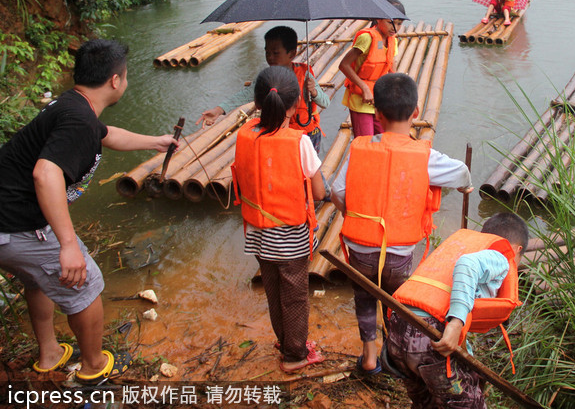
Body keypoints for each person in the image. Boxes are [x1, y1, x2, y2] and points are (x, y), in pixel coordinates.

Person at [0, 39, 177, 385]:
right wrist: (67, 244)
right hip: (19, 224)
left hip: (5, 224)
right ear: (115, 80)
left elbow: (106, 134)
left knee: (37, 280)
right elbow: (45, 173)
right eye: (125, 77)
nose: (125, 82)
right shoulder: (79, 120)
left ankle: (50, 353)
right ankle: (94, 369)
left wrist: (155, 142)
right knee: (86, 284)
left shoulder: (72, 106)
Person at [331, 72, 472, 375]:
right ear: (416, 113)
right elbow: (460, 172)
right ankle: (396, 357)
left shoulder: (359, 148)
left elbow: (336, 191)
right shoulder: (425, 155)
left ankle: (369, 358)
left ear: (377, 113)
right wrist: (465, 186)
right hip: (398, 253)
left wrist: (351, 214)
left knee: (365, 298)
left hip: (359, 248)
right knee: (397, 305)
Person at [231, 66, 326, 373]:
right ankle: (296, 355)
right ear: (295, 104)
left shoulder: (245, 135)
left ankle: (284, 341)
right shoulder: (299, 142)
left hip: (258, 234)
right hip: (292, 238)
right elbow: (320, 191)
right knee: (295, 297)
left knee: (274, 294)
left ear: (258, 103)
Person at [386, 212, 529, 408]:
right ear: (517, 249)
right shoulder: (501, 256)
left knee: (424, 401)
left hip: (398, 324)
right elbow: (468, 265)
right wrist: (456, 323)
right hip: (429, 335)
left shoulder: (463, 246)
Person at [196, 26, 330, 154]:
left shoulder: (305, 75)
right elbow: (245, 95)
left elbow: (325, 103)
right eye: (267, 52)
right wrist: (219, 110)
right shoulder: (267, 78)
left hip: (306, 135)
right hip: (279, 136)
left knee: (308, 173)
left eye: (276, 53)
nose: (270, 57)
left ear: (292, 54)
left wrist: (314, 92)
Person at [338, 0, 406, 138]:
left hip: (380, 100)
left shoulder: (393, 40)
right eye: (390, 23)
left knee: (383, 139)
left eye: (399, 24)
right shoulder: (367, 38)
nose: (395, 28)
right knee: (365, 141)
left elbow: (391, 69)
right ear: (378, 19)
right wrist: (364, 88)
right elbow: (343, 65)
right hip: (361, 100)